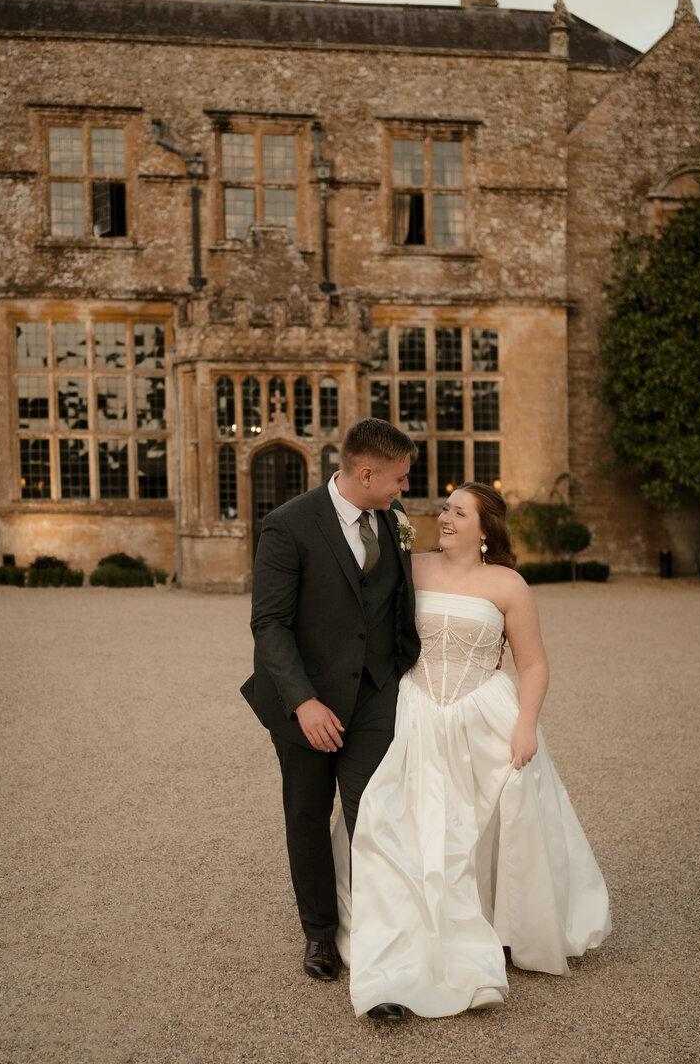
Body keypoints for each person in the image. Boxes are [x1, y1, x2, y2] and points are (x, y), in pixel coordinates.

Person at [334, 482, 612, 1021]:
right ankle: (409, 940)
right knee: (398, 822)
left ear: (485, 530)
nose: (446, 517)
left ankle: (491, 924)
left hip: (484, 715)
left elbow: (532, 663)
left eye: (459, 512)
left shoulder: (507, 585)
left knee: (478, 827)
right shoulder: (410, 567)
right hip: (413, 710)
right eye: (444, 509)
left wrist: (526, 725)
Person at [241, 419, 421, 1014]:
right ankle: (320, 932)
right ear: (366, 473)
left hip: (374, 694)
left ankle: (375, 930)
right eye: (398, 478)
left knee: (372, 810)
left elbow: (400, 605)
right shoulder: (288, 525)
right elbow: (269, 624)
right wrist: (303, 701)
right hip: (306, 702)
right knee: (307, 814)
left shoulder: (392, 523)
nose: (404, 488)